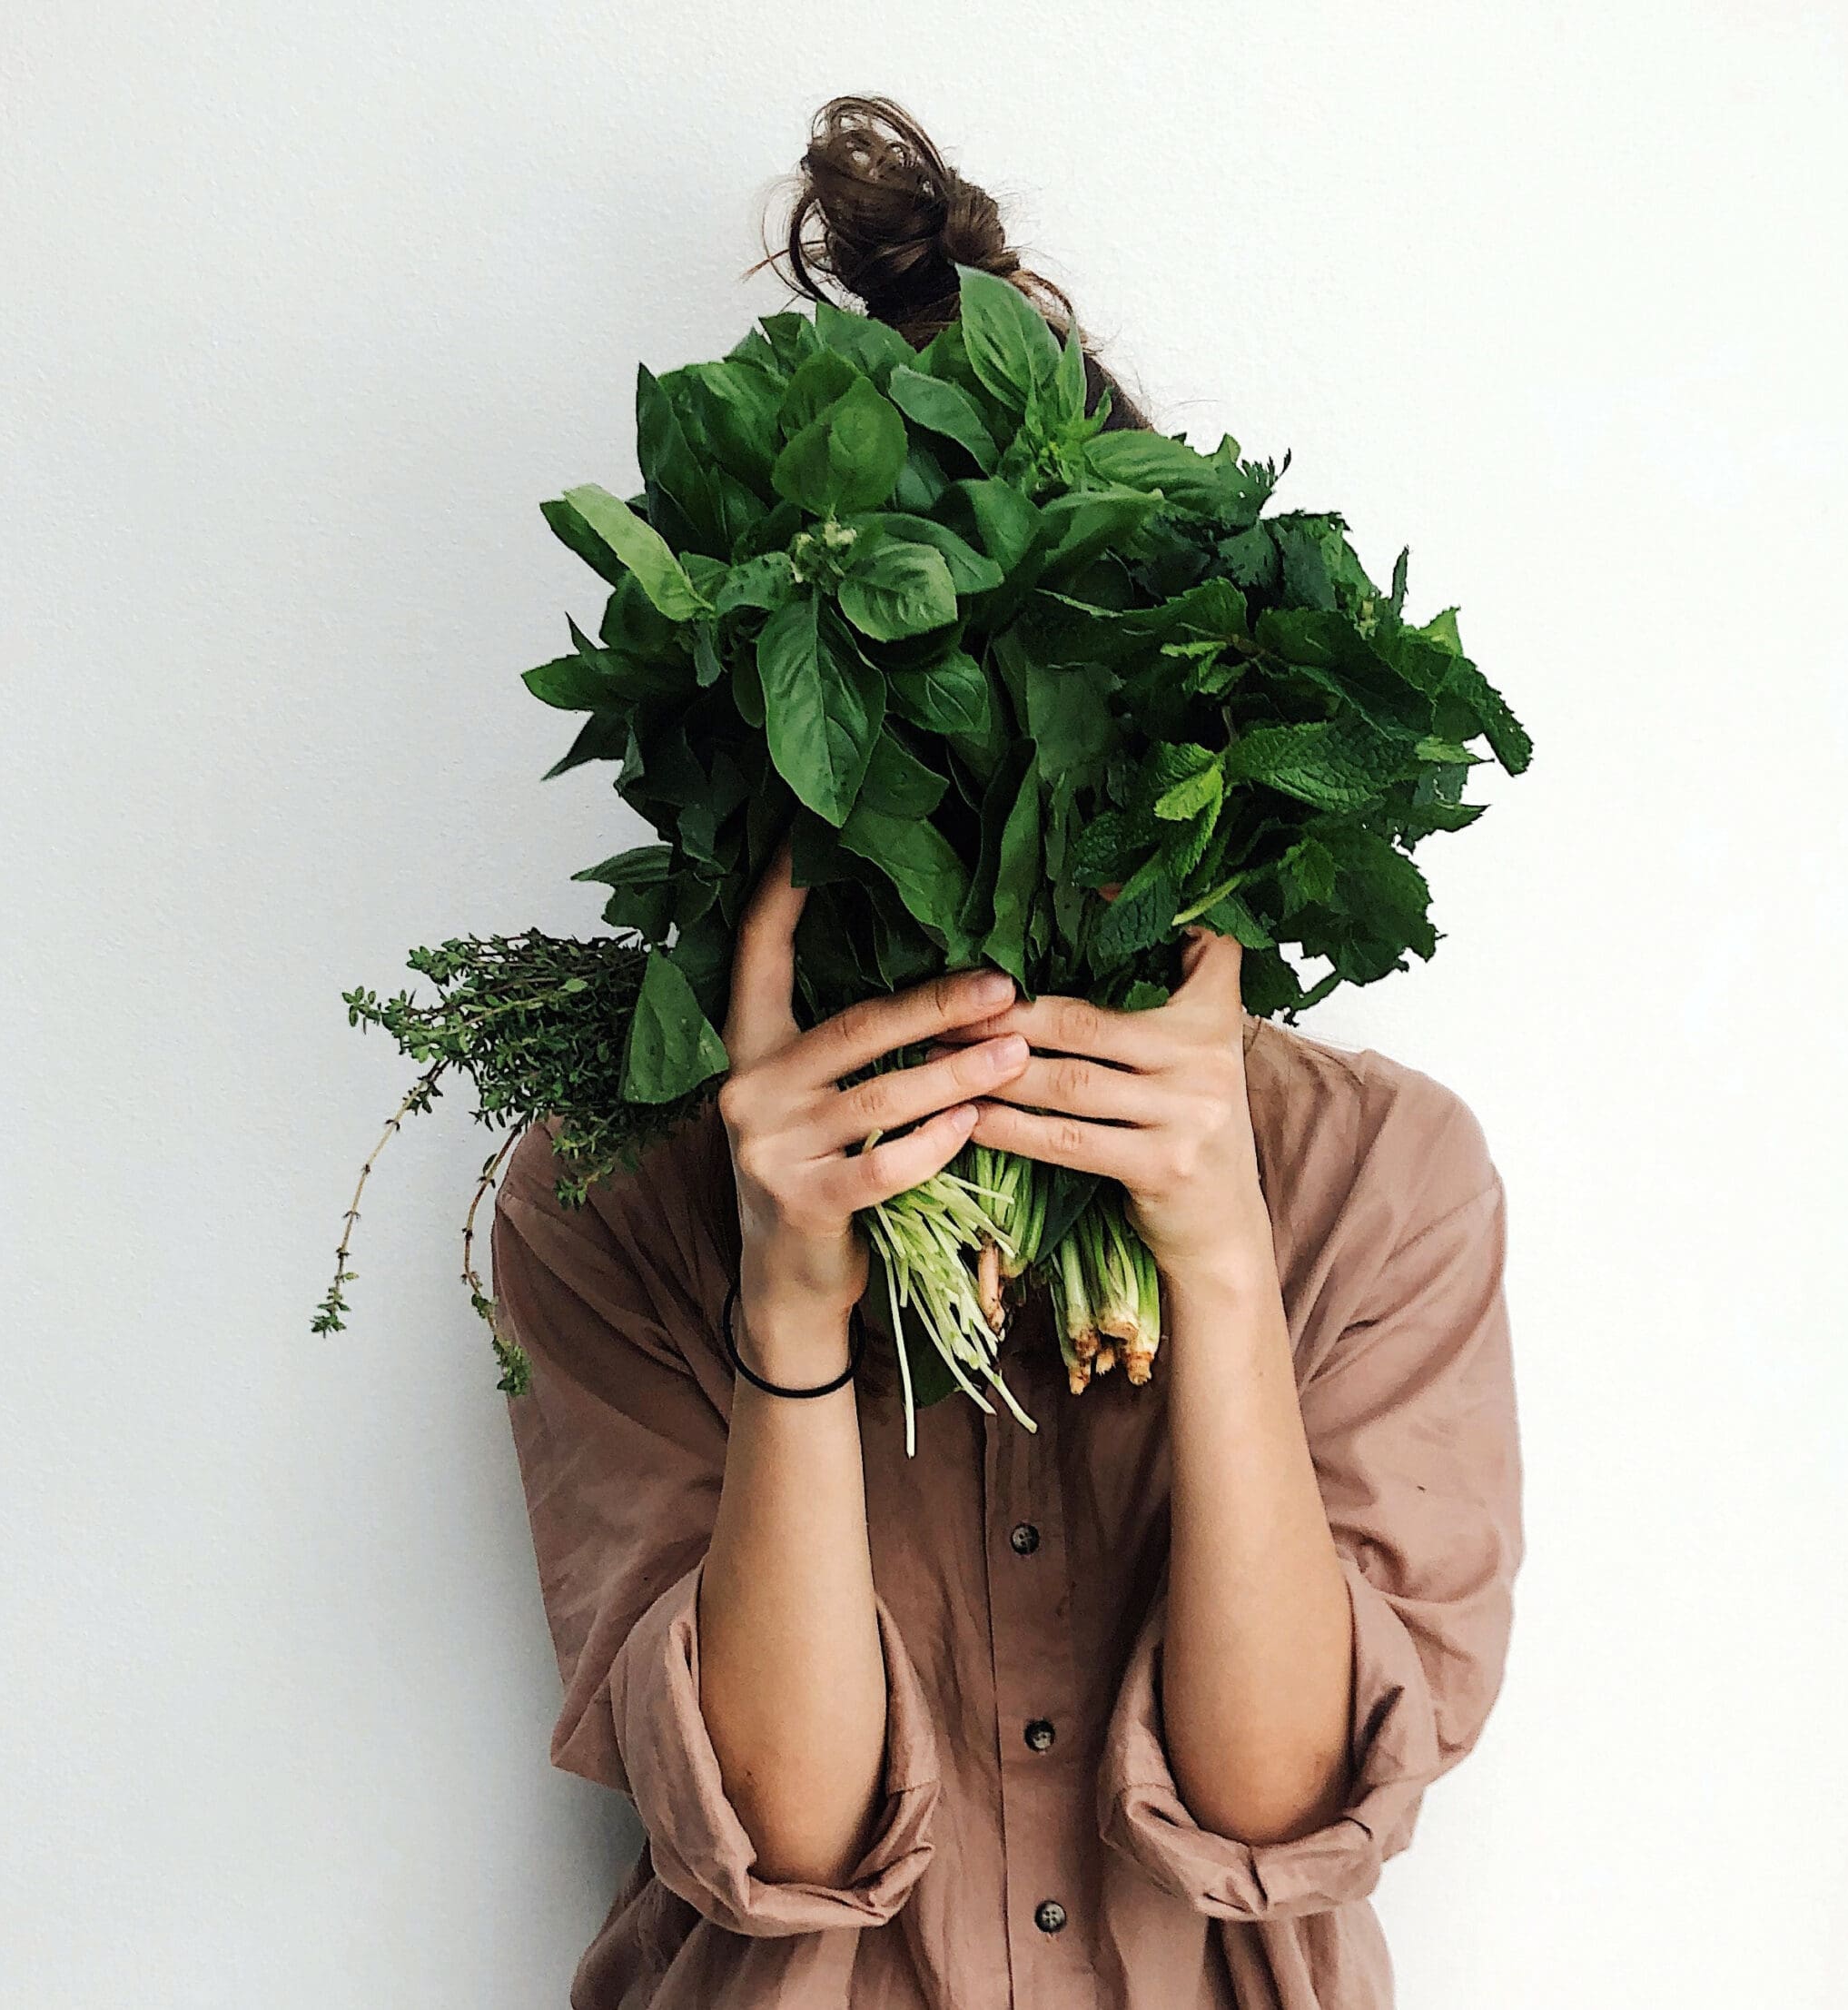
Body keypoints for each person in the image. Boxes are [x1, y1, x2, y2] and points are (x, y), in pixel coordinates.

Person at [489, 94, 1524, 2010]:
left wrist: (1213, 1255)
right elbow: (779, 1849)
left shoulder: (1374, 1178)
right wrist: (791, 1302)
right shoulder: (609, 1197)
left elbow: (1273, 1810)